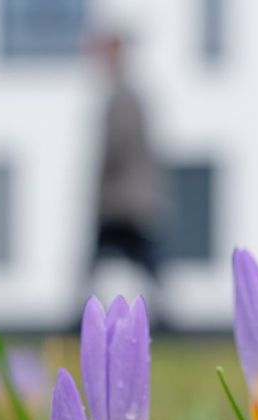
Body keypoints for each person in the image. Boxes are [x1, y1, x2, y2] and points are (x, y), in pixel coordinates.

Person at [90, 30, 162, 283]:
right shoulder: (125, 92)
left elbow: (118, 146)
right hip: (128, 196)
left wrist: (102, 181)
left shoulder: (122, 95)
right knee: (140, 256)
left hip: (122, 198)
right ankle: (80, 310)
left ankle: (80, 312)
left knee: (139, 254)